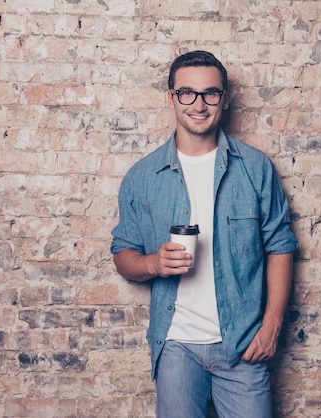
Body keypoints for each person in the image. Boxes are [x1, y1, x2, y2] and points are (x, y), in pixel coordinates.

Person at [110, 50, 298, 418]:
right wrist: (152, 263)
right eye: (187, 93)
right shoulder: (142, 177)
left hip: (243, 343)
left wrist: (273, 324)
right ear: (171, 98)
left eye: (210, 93)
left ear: (224, 100)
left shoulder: (255, 168)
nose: (199, 104)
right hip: (177, 346)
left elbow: (280, 246)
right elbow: (123, 255)